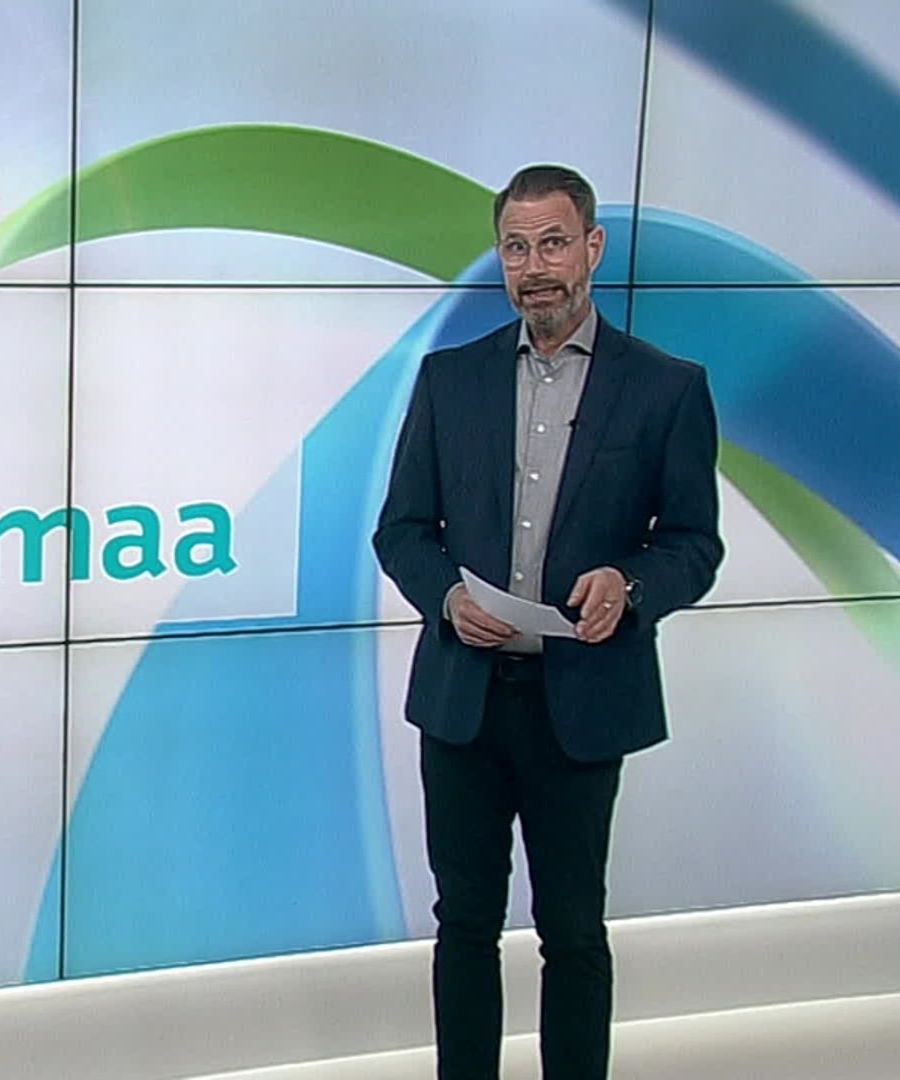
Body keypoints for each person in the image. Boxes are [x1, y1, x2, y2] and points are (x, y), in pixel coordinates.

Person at [373, 164, 724, 1079]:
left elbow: (694, 544)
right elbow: (402, 530)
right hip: (465, 704)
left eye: (554, 244)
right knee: (464, 926)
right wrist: (448, 598)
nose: (534, 267)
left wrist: (632, 585)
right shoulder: (449, 380)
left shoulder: (665, 388)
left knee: (572, 930)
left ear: (593, 249)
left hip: (581, 703)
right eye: (517, 248)